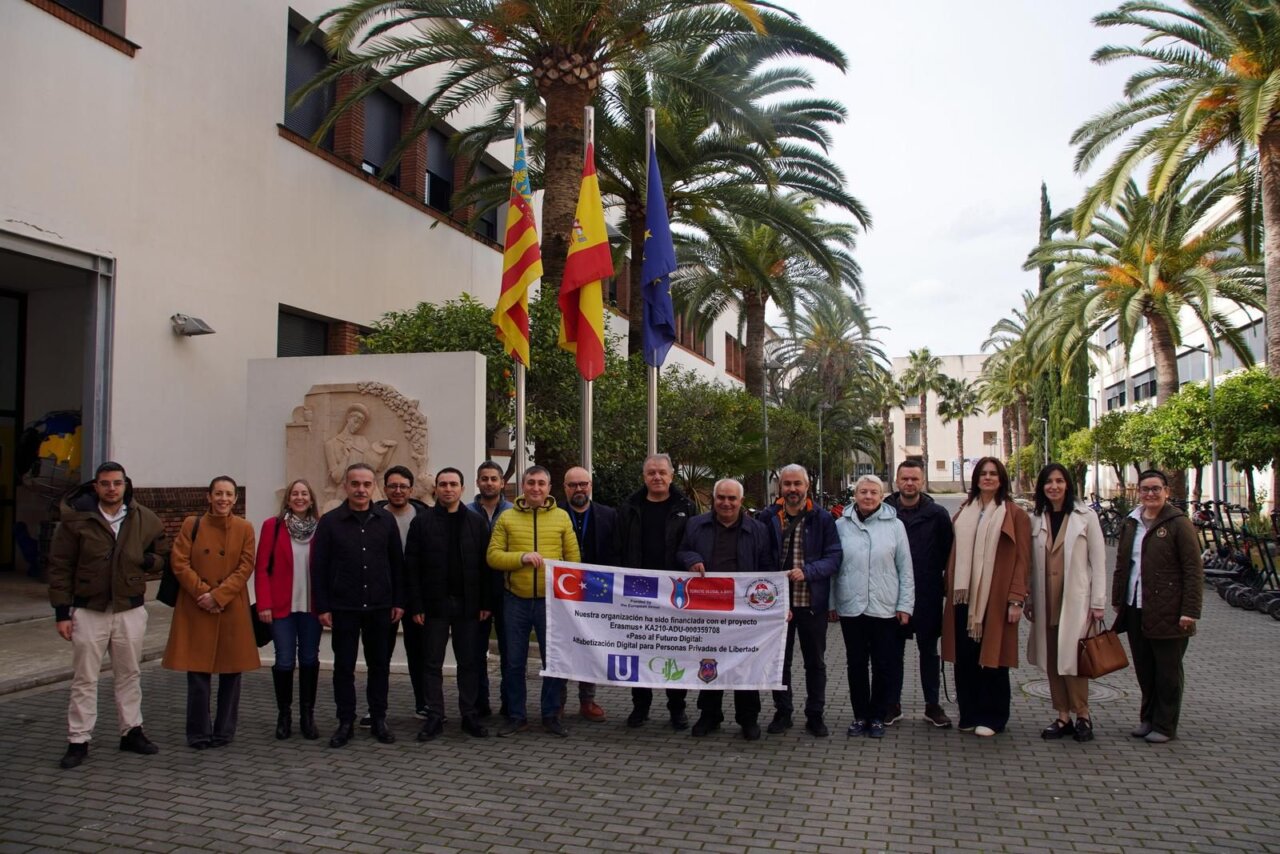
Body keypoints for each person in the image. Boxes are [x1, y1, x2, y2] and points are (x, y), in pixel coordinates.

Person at [48, 461, 169, 769]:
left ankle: (131, 731)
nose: (111, 489)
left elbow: (164, 554)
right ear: (96, 486)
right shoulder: (76, 520)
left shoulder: (143, 517)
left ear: (125, 485)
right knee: (84, 678)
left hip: (130, 608)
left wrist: (146, 561)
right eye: (105, 483)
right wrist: (62, 612)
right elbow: (60, 567)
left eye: (117, 483)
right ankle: (78, 740)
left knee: (129, 673)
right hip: (89, 609)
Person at [676, 478, 779, 740]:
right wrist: (692, 559)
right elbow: (683, 551)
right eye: (721, 497)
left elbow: (768, 567)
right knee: (709, 660)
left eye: (732, 498)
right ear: (713, 499)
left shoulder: (758, 530)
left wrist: (773, 605)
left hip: (744, 610)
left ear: (741, 501)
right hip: (708, 608)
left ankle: (748, 718)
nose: (726, 503)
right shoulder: (695, 525)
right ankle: (709, 715)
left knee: (746, 663)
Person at [312, 462, 405, 748]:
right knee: (344, 667)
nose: (361, 489)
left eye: (366, 484)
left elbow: (396, 564)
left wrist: (398, 600)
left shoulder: (386, 520)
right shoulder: (330, 522)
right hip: (344, 606)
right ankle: (345, 721)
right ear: (346, 486)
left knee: (379, 666)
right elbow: (319, 567)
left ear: (373, 486)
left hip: (380, 606)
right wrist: (323, 606)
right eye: (355, 484)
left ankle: (378, 719)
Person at [162, 476, 260, 749]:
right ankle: (198, 732)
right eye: (218, 493)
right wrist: (202, 592)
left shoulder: (244, 528)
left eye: (228, 494)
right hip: (197, 605)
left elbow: (246, 565)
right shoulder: (191, 524)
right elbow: (179, 562)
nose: (223, 499)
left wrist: (219, 596)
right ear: (209, 496)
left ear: (235, 499)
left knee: (232, 673)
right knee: (197, 673)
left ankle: (224, 731)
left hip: (230, 607)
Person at [486, 465, 580, 737]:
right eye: (531, 483)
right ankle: (517, 716)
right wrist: (521, 558)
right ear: (522, 486)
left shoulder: (562, 517)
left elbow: (574, 561)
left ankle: (550, 715)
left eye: (541, 483)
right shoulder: (507, 517)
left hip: (552, 604)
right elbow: (493, 556)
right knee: (514, 662)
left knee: (554, 661)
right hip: (515, 600)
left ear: (549, 488)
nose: (536, 488)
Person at [941, 456, 1031, 737]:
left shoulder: (1014, 514)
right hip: (962, 597)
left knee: (993, 658)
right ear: (976, 479)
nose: (988, 478)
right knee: (965, 658)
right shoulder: (964, 511)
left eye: (993, 473)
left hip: (996, 597)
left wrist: (1016, 599)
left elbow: (1023, 560)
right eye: (983, 473)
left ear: (1001, 479)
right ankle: (968, 713)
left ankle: (993, 717)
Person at [1113, 469, 1203, 744]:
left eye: (1156, 489)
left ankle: (1165, 725)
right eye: (1145, 489)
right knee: (1145, 668)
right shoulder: (1131, 522)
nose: (1150, 494)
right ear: (1138, 492)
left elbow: (1193, 569)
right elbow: (1122, 564)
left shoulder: (1178, 523)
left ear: (1166, 491)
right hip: (1136, 605)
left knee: (1167, 671)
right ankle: (1148, 718)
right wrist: (1118, 599)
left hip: (1169, 610)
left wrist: (1190, 611)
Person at [405, 467, 492, 740]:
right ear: (436, 489)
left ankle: (469, 715)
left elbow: (486, 567)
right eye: (443, 484)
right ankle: (434, 715)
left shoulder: (476, 523)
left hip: (469, 605)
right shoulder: (422, 523)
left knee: (469, 662)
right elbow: (412, 568)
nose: (448, 489)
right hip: (434, 606)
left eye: (453, 484)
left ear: (462, 489)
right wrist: (416, 605)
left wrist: (485, 602)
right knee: (432, 663)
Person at [757, 464, 841, 737]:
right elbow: (760, 555)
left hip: (811, 603)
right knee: (780, 662)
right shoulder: (768, 517)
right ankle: (783, 712)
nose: (792, 489)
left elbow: (834, 557)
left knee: (815, 663)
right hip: (778, 605)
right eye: (787, 484)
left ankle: (815, 715)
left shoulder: (823, 518)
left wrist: (808, 571)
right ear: (780, 487)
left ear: (807, 486)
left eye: (797, 484)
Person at [1026, 463, 1108, 742]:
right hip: (1046, 600)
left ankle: (1083, 715)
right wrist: (1028, 598)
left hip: (1076, 600)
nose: (1054, 486)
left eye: (1059, 481)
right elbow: (1030, 565)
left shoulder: (1086, 517)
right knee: (1053, 659)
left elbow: (1098, 561)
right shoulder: (1036, 518)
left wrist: (1098, 603)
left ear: (1068, 485)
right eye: (1049, 482)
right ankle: (1063, 716)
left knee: (1074, 659)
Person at [617, 453, 697, 730]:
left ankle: (677, 708)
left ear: (672, 476)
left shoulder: (686, 507)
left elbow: (692, 545)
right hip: (637, 589)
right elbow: (619, 547)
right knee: (639, 649)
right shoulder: (629, 507)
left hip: (673, 592)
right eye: (651, 472)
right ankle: (640, 707)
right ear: (644, 477)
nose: (657, 477)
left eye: (662, 472)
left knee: (674, 650)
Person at [831, 475, 914, 739]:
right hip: (851, 606)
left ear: (881, 496)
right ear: (855, 495)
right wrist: (832, 603)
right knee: (856, 664)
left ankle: (877, 716)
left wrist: (905, 605)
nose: (868, 496)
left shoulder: (896, 526)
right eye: (863, 491)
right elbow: (833, 567)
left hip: (884, 606)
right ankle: (860, 715)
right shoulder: (840, 525)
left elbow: (905, 569)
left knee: (882, 664)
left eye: (873, 492)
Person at [884, 459, 955, 728]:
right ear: (897, 481)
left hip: (928, 595)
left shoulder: (938, 514)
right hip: (893, 595)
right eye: (905, 478)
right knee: (893, 653)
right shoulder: (885, 511)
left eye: (914, 479)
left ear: (922, 481)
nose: (909, 483)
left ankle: (932, 705)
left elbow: (948, 553)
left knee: (929, 652)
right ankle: (892, 704)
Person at [254, 478, 322, 740]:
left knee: (309, 659)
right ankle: (284, 714)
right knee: (284, 660)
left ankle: (308, 715)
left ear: (311, 499)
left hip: (312, 607)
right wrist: (264, 604)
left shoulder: (321, 527)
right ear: (288, 499)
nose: (299, 498)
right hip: (281, 606)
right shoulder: (272, 526)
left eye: (304, 493)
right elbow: (262, 569)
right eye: (295, 493)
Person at [370, 465, 430, 724]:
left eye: (403, 486)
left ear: (411, 489)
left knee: (419, 653)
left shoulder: (424, 516)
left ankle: (423, 704)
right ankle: (375, 708)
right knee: (380, 655)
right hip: (383, 595)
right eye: (393, 486)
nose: (398, 491)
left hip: (416, 595)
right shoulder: (373, 516)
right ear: (384, 489)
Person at [561, 465, 617, 723]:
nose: (579, 489)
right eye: (573, 485)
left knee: (590, 646)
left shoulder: (609, 515)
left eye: (583, 484)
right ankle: (557, 702)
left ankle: (587, 700)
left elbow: (616, 553)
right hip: (562, 592)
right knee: (561, 645)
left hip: (597, 592)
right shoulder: (555, 513)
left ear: (590, 486)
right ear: (565, 488)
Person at [470, 460, 513, 719]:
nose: (489, 483)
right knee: (476, 652)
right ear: (477, 482)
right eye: (484, 478)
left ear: (502, 483)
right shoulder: (466, 512)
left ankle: (509, 703)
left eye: (493, 479)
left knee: (510, 652)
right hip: (476, 593)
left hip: (507, 592)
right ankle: (480, 703)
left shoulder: (513, 512)